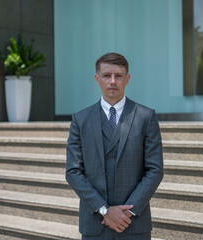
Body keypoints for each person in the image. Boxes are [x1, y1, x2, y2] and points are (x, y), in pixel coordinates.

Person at [66, 52, 164, 239]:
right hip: (95, 223)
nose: (112, 81)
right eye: (106, 76)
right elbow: (73, 172)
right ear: (97, 79)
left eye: (118, 76)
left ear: (127, 79)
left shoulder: (145, 117)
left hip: (134, 222)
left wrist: (127, 212)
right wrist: (104, 210)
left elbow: (155, 170)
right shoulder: (80, 120)